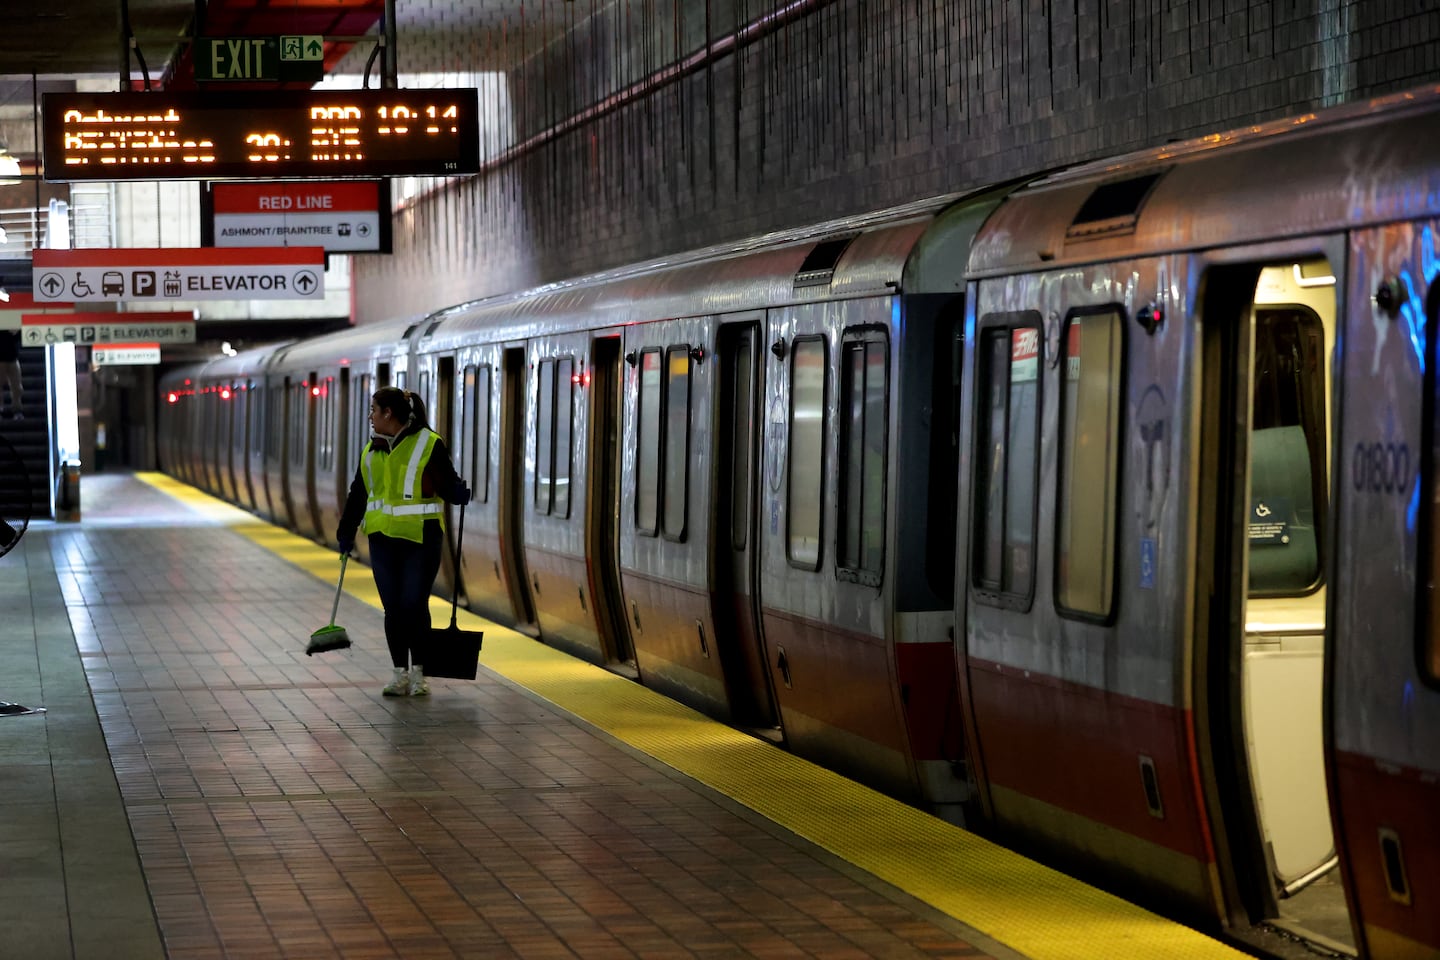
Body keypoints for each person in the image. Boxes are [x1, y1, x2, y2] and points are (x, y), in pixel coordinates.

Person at [337, 387, 470, 697]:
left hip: (421, 539)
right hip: (382, 541)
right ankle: (400, 674)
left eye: (374, 410)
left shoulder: (429, 443)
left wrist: (457, 493)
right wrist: (346, 532)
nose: (370, 416)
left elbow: (446, 483)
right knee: (393, 609)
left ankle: (419, 674)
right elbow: (358, 494)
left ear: (388, 414)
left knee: (413, 604)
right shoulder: (371, 451)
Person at [0, 329, 21, 420]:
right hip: (1, 360)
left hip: (13, 359)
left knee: (17, 387)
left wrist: (16, 332)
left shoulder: (12, 321)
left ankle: (17, 410)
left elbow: (19, 338)